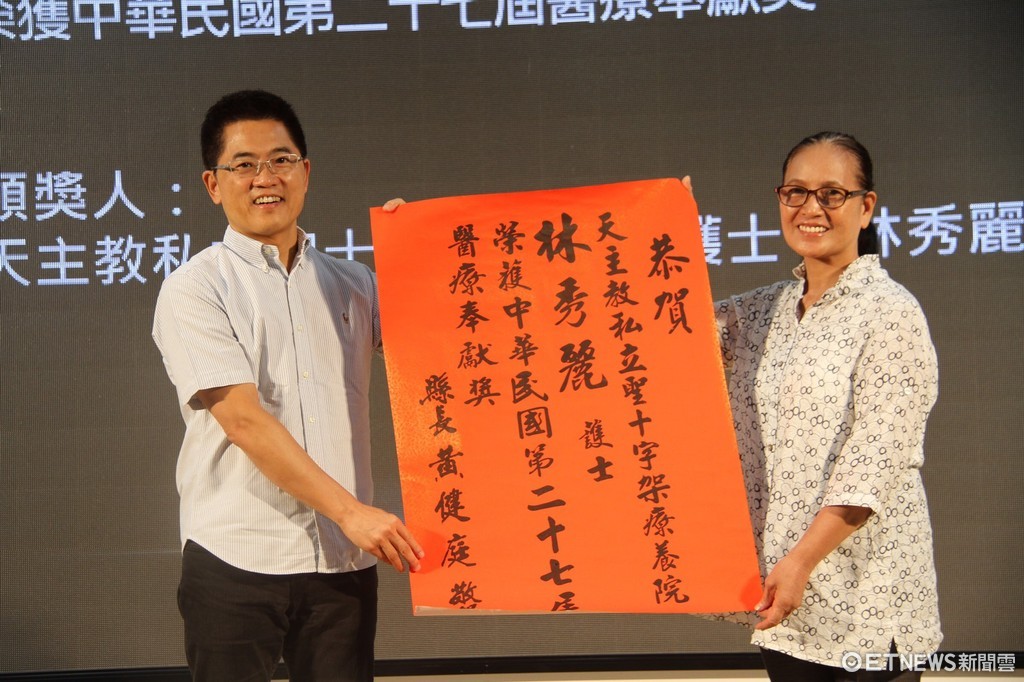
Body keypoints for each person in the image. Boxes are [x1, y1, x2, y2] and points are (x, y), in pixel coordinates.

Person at [152, 90, 424, 682]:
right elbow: (243, 420)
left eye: (280, 159)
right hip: (237, 556)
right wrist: (352, 513)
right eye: (243, 165)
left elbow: (447, 343)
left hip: (342, 562)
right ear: (213, 184)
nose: (265, 178)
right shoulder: (197, 287)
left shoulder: (356, 283)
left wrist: (421, 248)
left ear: (306, 171)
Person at [714, 132, 942, 681]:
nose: (810, 208)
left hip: (868, 601)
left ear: (866, 207)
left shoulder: (890, 312)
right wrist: (664, 225)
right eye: (795, 192)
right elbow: (659, 329)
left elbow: (873, 463)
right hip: (787, 603)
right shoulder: (760, 311)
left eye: (831, 194)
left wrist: (800, 563)